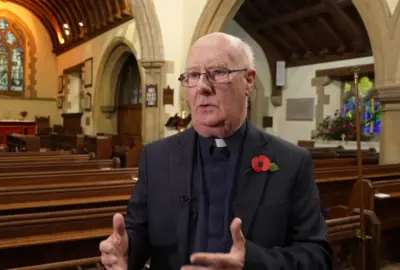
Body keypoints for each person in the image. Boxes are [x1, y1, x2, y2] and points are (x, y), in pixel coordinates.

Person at [99, 32, 333, 270]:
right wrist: (126, 252)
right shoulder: (156, 158)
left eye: (218, 73)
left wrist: (252, 263)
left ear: (249, 80)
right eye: (193, 75)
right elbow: (138, 232)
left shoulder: (291, 162)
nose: (202, 87)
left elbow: (317, 256)